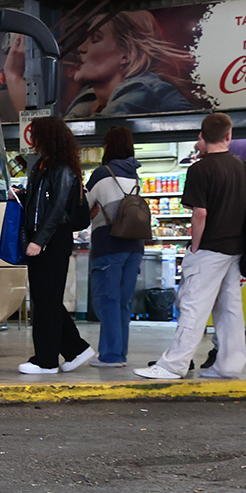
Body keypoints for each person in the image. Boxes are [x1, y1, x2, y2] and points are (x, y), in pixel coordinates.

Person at [137, 113, 246, 380]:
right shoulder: (242, 166)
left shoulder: (200, 168)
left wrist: (195, 247)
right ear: (229, 136)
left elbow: (200, 213)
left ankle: (173, 365)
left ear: (201, 136)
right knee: (229, 308)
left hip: (209, 248)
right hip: (235, 248)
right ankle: (228, 365)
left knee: (192, 305)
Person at [2, 12, 198, 119]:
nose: (81, 49)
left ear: (126, 54)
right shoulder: (90, 97)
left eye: (95, 40)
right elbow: (57, 136)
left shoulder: (142, 89)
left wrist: (13, 76)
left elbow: (59, 143)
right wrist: (13, 76)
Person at [13, 117, 94, 375]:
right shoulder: (45, 166)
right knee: (45, 299)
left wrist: (39, 241)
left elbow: (57, 210)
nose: (32, 140)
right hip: (46, 238)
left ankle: (46, 360)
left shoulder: (61, 170)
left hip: (52, 239)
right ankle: (75, 349)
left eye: (36, 135)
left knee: (46, 300)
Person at [85, 126, 143, 368]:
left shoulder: (101, 173)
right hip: (135, 244)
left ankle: (110, 355)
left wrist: (91, 210)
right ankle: (119, 353)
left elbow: (84, 207)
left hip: (109, 243)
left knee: (106, 300)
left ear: (108, 146)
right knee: (121, 302)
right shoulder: (135, 174)